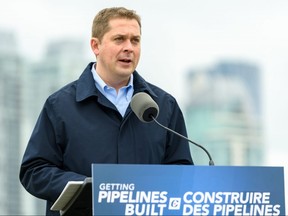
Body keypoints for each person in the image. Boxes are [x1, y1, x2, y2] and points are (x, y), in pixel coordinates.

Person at [19, 7, 193, 216]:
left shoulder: (164, 106)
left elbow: (182, 171)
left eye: (135, 40)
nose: (129, 48)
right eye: (119, 39)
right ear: (96, 45)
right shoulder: (60, 105)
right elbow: (34, 170)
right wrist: (86, 187)